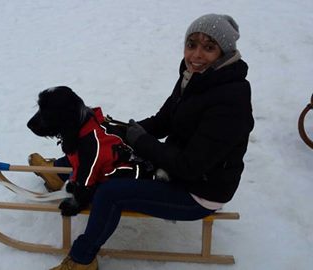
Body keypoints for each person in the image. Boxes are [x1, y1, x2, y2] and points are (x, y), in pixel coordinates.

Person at [32, 13, 254, 270]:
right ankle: (59, 173)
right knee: (101, 144)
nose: (196, 54)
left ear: (224, 53)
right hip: (174, 164)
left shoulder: (230, 101)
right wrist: (120, 130)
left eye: (209, 47)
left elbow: (191, 166)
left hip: (198, 191)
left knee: (109, 194)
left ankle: (82, 260)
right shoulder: (196, 77)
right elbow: (163, 120)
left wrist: (140, 140)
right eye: (191, 44)